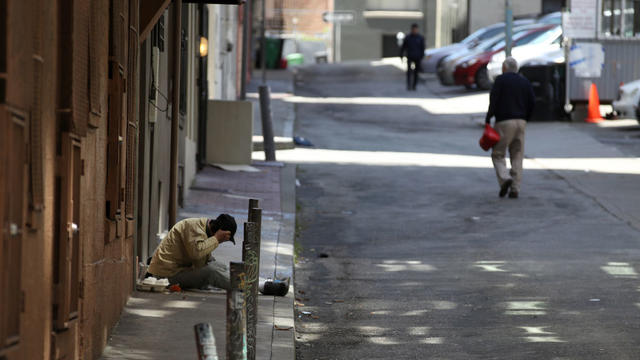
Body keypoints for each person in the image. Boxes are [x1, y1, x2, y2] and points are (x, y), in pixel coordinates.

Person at [485, 57, 535, 199]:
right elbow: (532, 101)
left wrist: (488, 118)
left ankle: (505, 177)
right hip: (521, 121)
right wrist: (526, 118)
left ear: (504, 68)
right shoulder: (524, 81)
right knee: (518, 154)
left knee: (498, 153)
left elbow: (493, 100)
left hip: (504, 122)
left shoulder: (500, 80)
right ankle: (515, 188)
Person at [147, 214, 237, 290]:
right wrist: (216, 238)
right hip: (165, 277)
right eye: (223, 239)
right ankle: (242, 286)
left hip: (180, 270)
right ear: (218, 231)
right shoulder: (193, 227)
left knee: (220, 266)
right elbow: (196, 254)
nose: (221, 242)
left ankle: (238, 280)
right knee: (212, 272)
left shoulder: (204, 228)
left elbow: (204, 260)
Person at [400, 23, 425, 91]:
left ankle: (414, 85)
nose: (414, 30)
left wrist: (422, 56)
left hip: (417, 57)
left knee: (416, 72)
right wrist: (401, 56)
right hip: (410, 56)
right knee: (409, 72)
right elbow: (403, 47)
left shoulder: (420, 38)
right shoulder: (408, 37)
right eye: (413, 29)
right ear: (411, 29)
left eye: (416, 29)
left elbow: (422, 48)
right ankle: (409, 85)